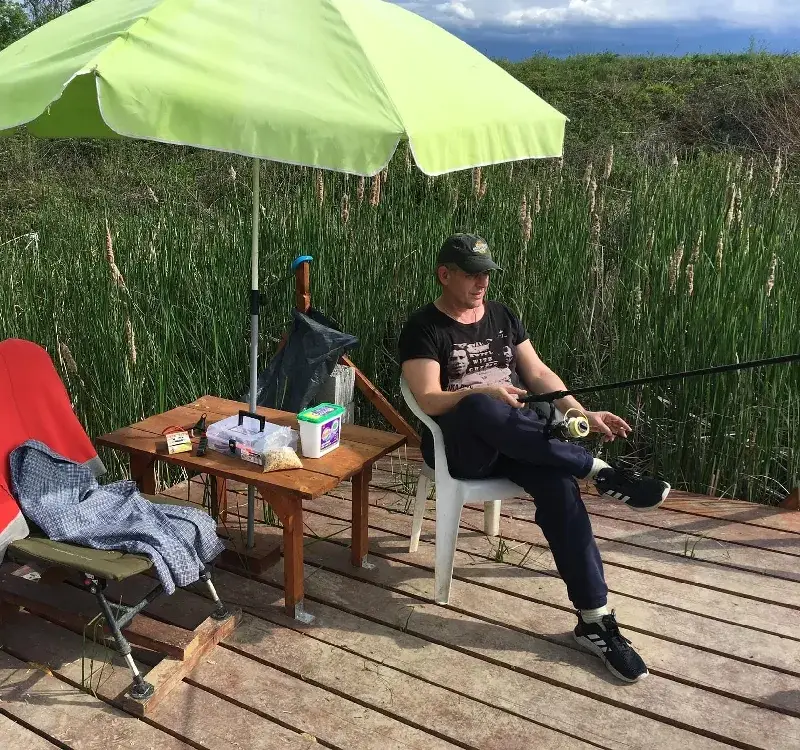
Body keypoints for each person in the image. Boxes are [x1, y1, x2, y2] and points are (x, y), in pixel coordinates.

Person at [398, 233, 671, 683]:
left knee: (560, 488)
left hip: (520, 441)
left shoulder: (503, 315)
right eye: (471, 274)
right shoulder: (423, 327)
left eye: (487, 274)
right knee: (482, 405)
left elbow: (539, 373)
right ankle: (598, 470)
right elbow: (428, 399)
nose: (482, 282)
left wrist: (579, 413)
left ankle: (595, 621)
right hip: (464, 450)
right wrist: (483, 392)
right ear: (444, 275)